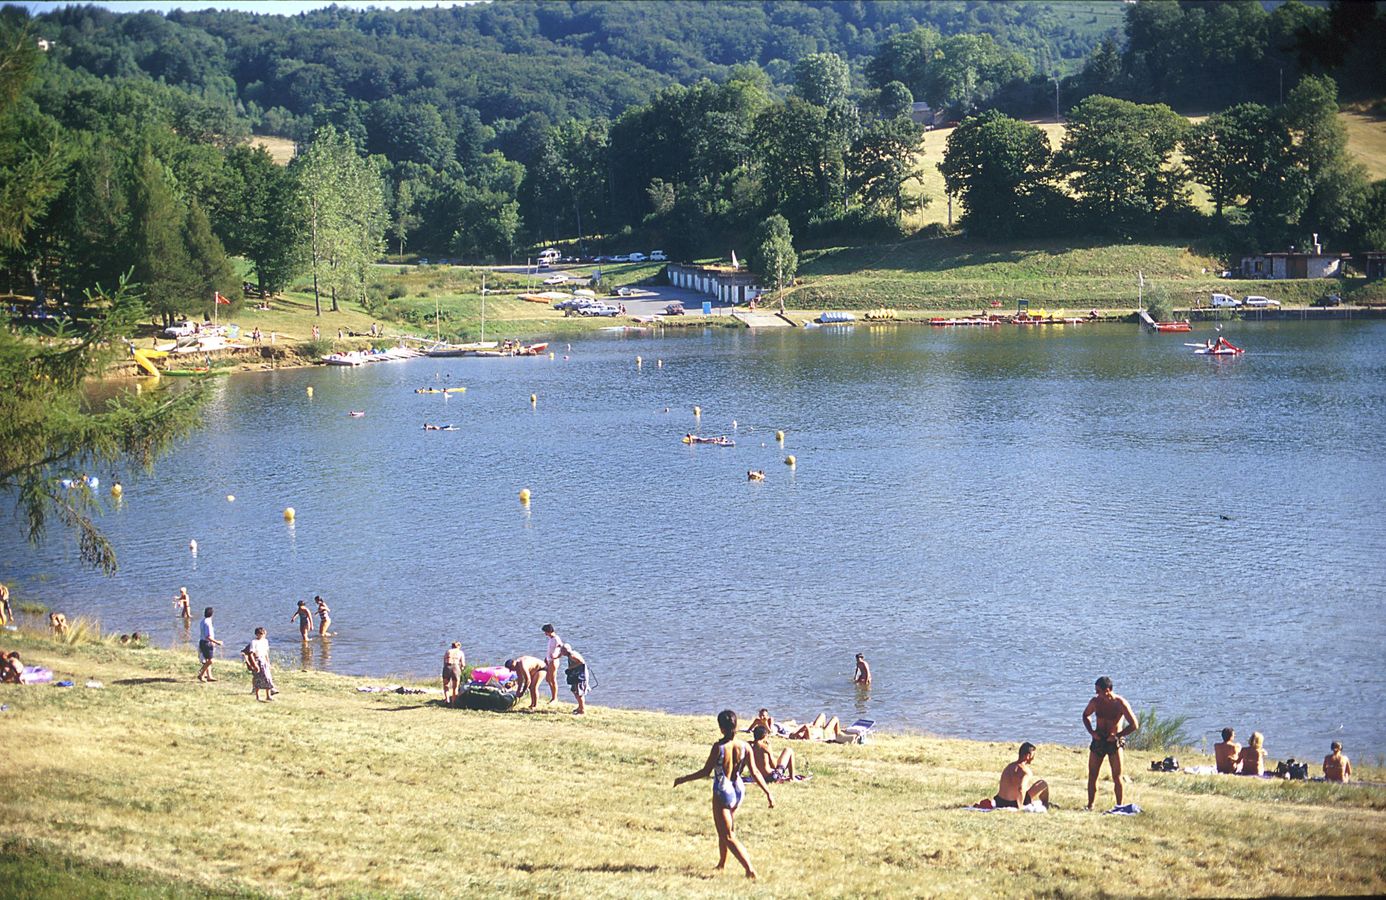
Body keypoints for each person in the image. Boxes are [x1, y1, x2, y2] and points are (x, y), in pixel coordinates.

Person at [673, 709, 773, 880]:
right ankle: (721, 863)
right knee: (724, 829)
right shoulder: (744, 746)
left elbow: (705, 772)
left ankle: (750, 870)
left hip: (723, 790)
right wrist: (768, 793)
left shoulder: (718, 747)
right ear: (736, 725)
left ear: (721, 728)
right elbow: (755, 772)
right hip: (738, 789)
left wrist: (683, 779)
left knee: (728, 835)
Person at [1081, 675, 1140, 810]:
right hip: (1099, 740)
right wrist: (1092, 732)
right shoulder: (1095, 702)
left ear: (1108, 690)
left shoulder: (1120, 703)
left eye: (1099, 691)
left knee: (1117, 776)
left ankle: (1119, 806)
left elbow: (1134, 725)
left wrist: (1118, 736)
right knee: (1092, 774)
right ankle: (1090, 805)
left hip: (1114, 742)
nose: (1097, 693)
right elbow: (1085, 715)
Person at [996, 742, 1050, 809]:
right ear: (1028, 756)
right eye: (1033, 755)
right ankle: (1045, 805)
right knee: (1043, 784)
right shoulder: (1025, 771)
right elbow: (1021, 789)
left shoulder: (1009, 767)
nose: (1033, 757)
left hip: (999, 801)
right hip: (1014, 803)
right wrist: (1020, 806)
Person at [242, 627, 275, 702]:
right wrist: (254, 664)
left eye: (264, 634)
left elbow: (266, 653)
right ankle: (257, 696)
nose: (263, 636)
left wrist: (268, 662)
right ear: (257, 634)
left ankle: (268, 695)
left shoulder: (265, 641)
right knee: (258, 678)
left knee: (268, 677)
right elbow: (251, 654)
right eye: (262, 634)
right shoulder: (254, 642)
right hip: (257, 660)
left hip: (264, 659)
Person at [558, 643, 590, 715]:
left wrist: (570, 668)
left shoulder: (572, 655)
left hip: (580, 676)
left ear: (565, 651)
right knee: (574, 691)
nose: (561, 653)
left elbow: (581, 662)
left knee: (579, 693)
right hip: (575, 675)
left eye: (562, 651)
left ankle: (582, 710)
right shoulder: (570, 654)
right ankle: (580, 707)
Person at [196, 607, 223, 682]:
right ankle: (201, 674)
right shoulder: (208, 623)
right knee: (210, 661)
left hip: (202, 641)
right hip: (206, 643)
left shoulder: (202, 621)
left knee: (207, 660)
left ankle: (209, 676)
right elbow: (208, 636)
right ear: (212, 614)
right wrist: (217, 642)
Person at [541, 623, 563, 703]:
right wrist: (546, 659)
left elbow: (562, 648)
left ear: (549, 631)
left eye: (545, 632)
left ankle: (554, 698)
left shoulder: (556, 638)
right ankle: (553, 696)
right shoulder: (550, 639)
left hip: (554, 661)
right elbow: (550, 650)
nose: (545, 634)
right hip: (549, 660)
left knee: (553, 679)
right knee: (548, 679)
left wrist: (556, 656)